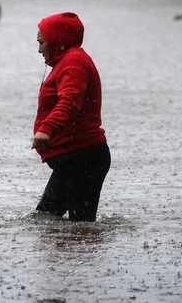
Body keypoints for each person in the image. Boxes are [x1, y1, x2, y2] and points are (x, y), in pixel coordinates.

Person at [31, 12, 111, 222]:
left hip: (83, 156)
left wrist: (46, 129)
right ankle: (65, 256)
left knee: (81, 228)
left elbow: (70, 101)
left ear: (57, 39)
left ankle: (85, 255)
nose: (39, 49)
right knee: (45, 220)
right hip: (74, 157)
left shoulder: (73, 62)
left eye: (42, 42)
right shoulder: (67, 61)